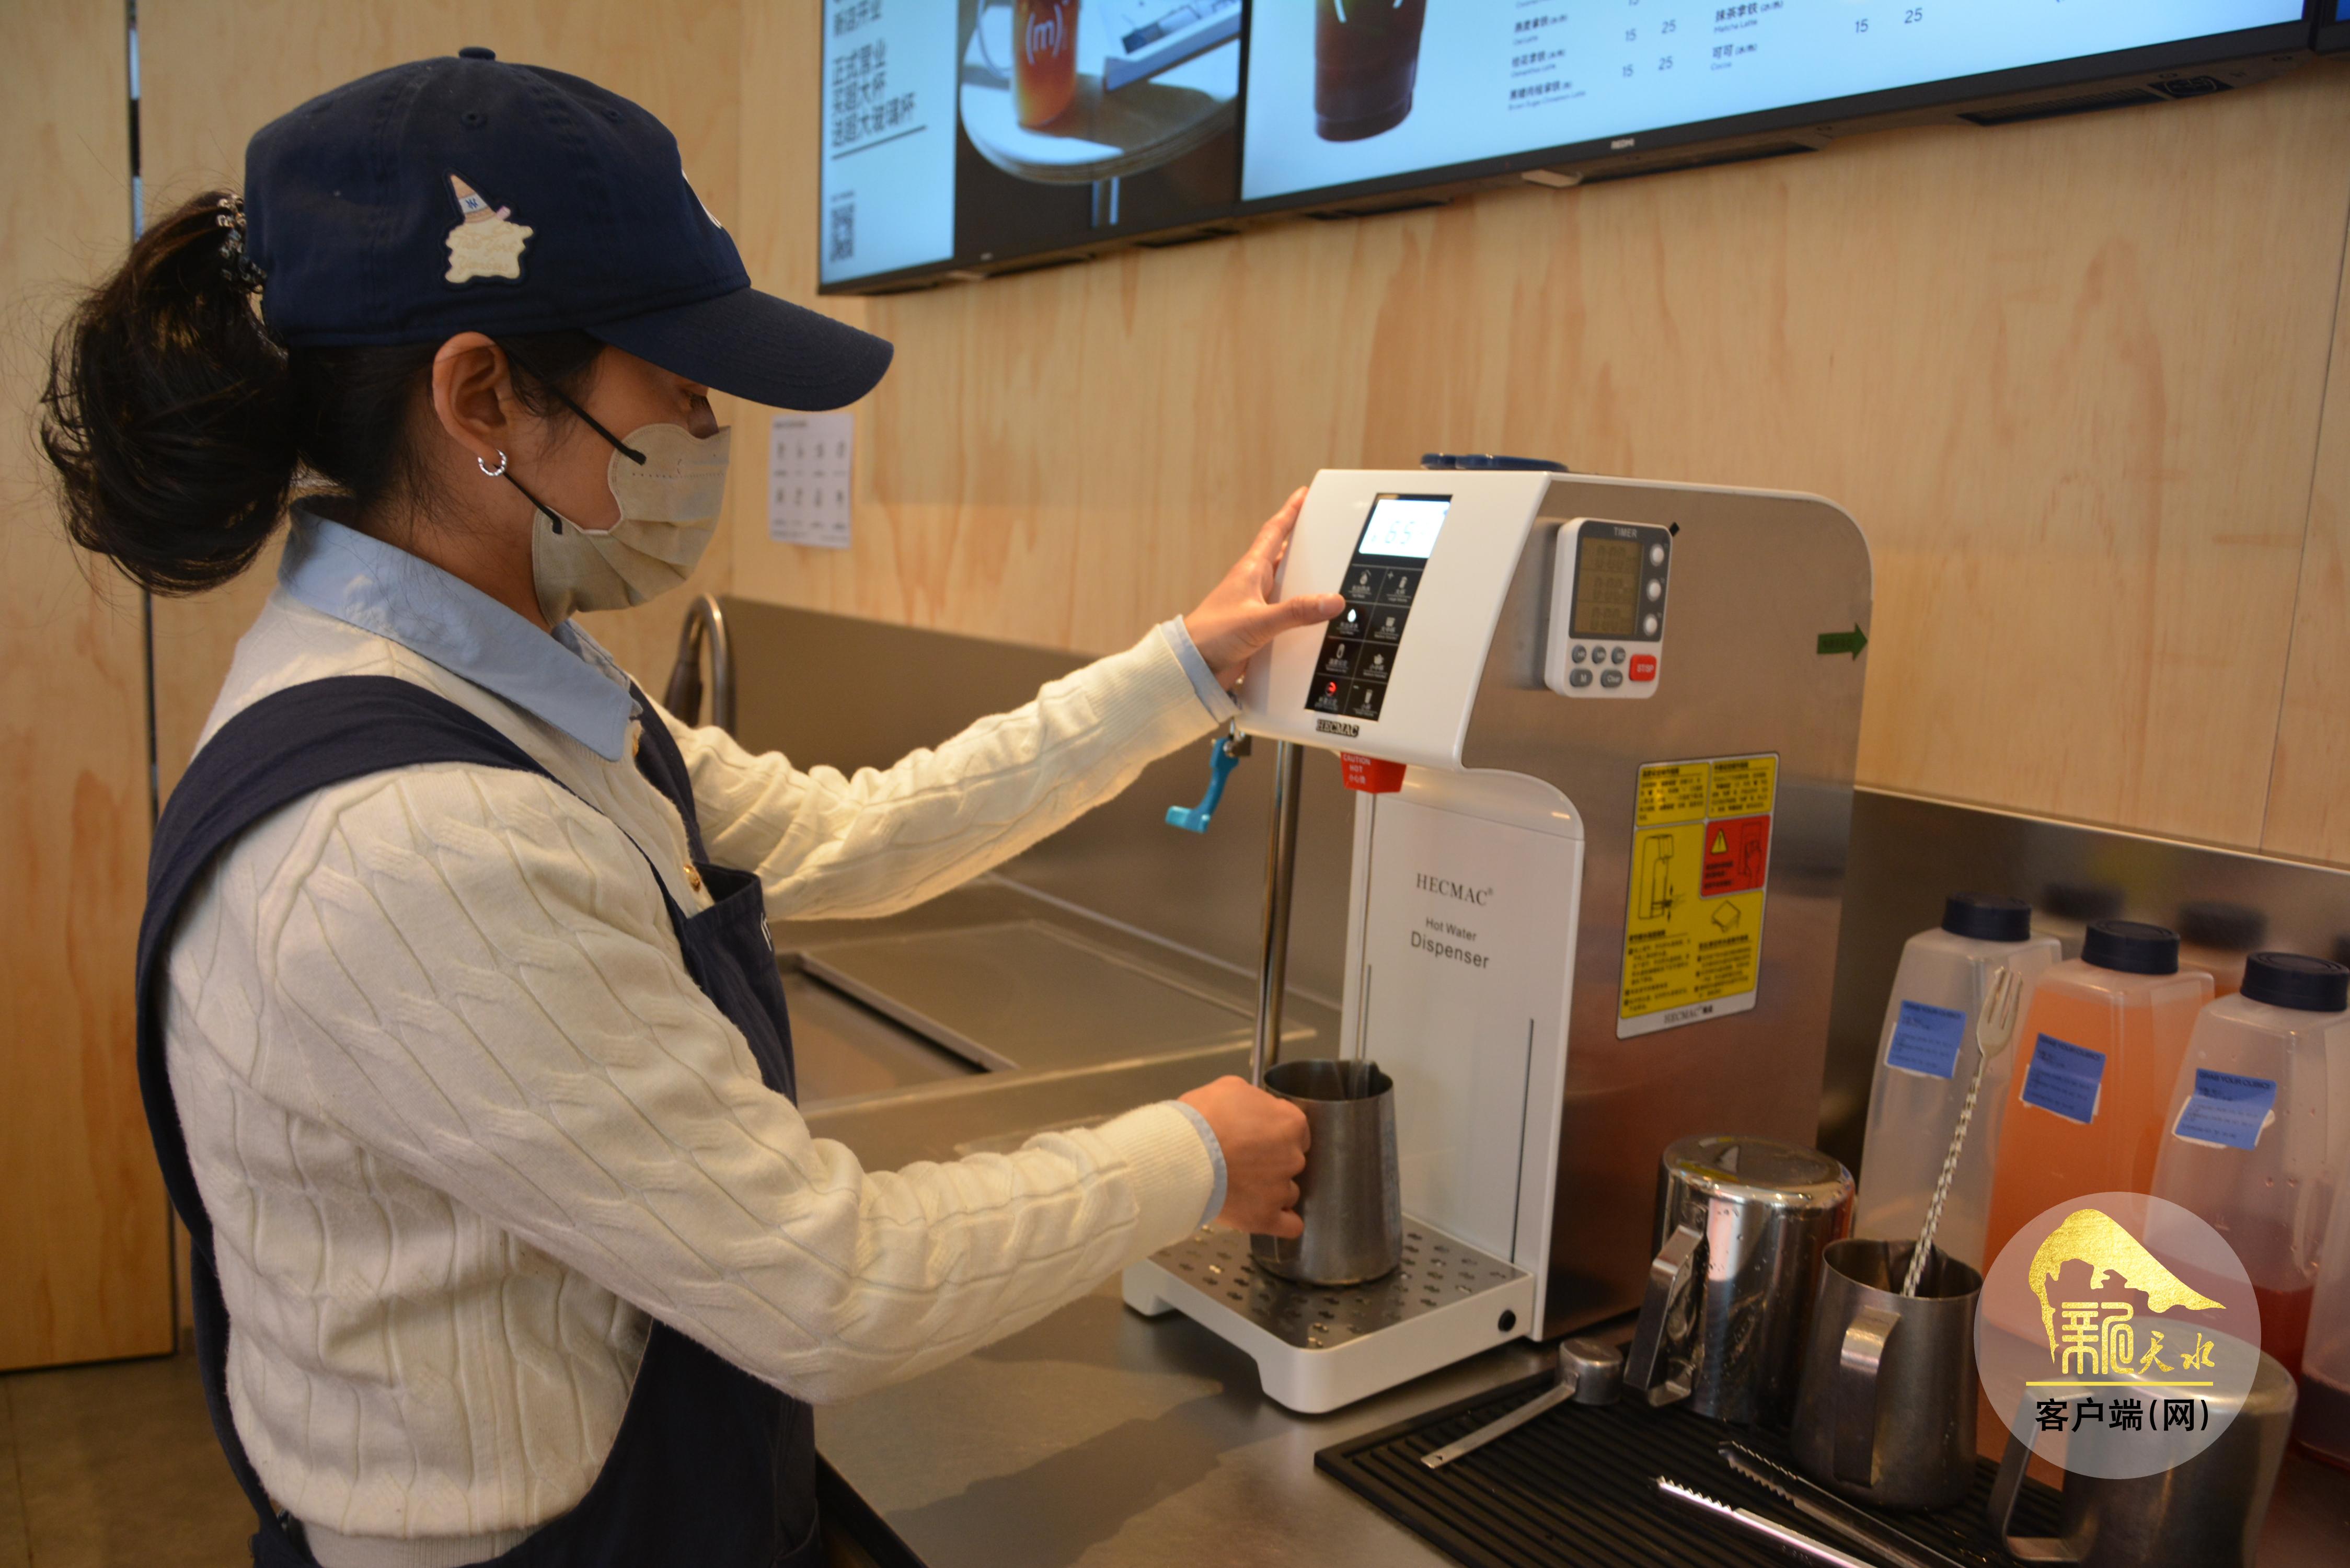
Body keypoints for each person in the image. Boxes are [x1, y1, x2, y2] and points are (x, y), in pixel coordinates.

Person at [42, 51, 1339, 1568]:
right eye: (675, 378)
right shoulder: (416, 835)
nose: (708, 430)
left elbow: (853, 832)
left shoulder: (506, 684)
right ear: (481, 398)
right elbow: (828, 1286)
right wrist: (1195, 1156)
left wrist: (1182, 673)